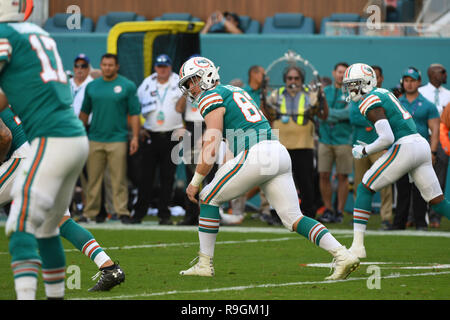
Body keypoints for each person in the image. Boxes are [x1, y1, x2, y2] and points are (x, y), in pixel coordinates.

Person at [177, 56, 359, 280]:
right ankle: (343, 254)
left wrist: (195, 181)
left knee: (207, 197)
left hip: (257, 153)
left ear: (203, 78)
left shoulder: (211, 96)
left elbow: (211, 141)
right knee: (293, 217)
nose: (188, 88)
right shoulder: (235, 91)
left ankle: (205, 264)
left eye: (190, 82)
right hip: (278, 151)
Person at [0, 2, 89, 299]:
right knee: (48, 228)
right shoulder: (37, 32)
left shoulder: (4, 35)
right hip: (74, 138)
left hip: (50, 138)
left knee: (19, 225)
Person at [0, 106, 125, 292]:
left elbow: (5, 136)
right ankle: (109, 268)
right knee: (61, 221)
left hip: (23, 157)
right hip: (46, 152)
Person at [343, 63, 450, 259]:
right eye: (348, 85)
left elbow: (387, 138)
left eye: (354, 84)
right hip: (421, 144)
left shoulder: (368, 99)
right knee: (437, 201)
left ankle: (357, 246)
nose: (350, 89)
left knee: (365, 186)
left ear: (366, 82)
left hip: (406, 146)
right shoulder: (383, 92)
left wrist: (365, 150)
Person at [79, 53, 140, 225]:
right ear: (100, 65)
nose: (107, 68)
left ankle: (122, 212)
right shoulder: (92, 86)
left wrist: (135, 137)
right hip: (95, 138)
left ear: (117, 66)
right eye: (104, 64)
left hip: (118, 138)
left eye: (111, 65)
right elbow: (84, 113)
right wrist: (79, 134)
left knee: (118, 179)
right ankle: (90, 212)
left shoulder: (127, 85)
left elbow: (135, 113)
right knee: (93, 179)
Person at [266, 65, 328, 219]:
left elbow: (323, 115)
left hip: (303, 146)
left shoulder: (310, 95)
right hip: (280, 146)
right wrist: (262, 96)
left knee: (305, 182)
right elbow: (266, 115)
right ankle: (277, 214)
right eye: (289, 78)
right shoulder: (276, 94)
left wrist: (322, 98)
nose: (293, 81)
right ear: (285, 80)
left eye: (296, 78)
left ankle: (309, 214)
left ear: (302, 80)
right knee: (277, 182)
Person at [132, 54, 185, 225]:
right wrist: (140, 127)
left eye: (165, 67)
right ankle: (139, 213)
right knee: (145, 177)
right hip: (151, 135)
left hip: (172, 135)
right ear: (155, 67)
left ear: (170, 67)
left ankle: (164, 214)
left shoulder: (178, 82)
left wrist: (184, 125)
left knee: (167, 177)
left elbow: (188, 105)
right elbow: (136, 105)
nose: (162, 70)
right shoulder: (147, 83)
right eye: (159, 66)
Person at [391, 67, 440, 230]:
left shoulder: (428, 105)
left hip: (420, 151)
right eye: (406, 81)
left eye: (412, 81)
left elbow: (435, 130)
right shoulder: (396, 102)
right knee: (402, 188)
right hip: (401, 150)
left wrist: (433, 152)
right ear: (403, 82)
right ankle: (399, 223)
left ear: (419, 82)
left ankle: (421, 223)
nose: (409, 84)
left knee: (420, 188)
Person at [349, 65, 393, 230]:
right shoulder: (359, 95)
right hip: (361, 143)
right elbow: (354, 116)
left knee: (385, 182)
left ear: (379, 79)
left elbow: (389, 117)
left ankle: (386, 217)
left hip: (380, 145)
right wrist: (375, 120)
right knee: (360, 182)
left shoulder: (383, 96)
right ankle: (359, 217)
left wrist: (372, 119)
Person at [318, 62, 352, 223]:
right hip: (325, 139)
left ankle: (339, 211)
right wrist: (329, 114)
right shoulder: (325, 91)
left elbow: (349, 113)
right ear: (333, 73)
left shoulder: (352, 93)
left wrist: (328, 114)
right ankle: (328, 209)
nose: (341, 75)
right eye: (339, 72)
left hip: (344, 140)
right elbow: (319, 113)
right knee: (324, 174)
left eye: (344, 73)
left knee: (342, 176)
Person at [419, 63, 450, 228]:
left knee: (439, 180)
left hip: (442, 141)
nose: (445, 74)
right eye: (442, 72)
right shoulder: (421, 93)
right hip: (424, 139)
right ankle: (416, 215)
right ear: (432, 74)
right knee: (417, 180)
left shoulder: (449, 95)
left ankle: (435, 217)